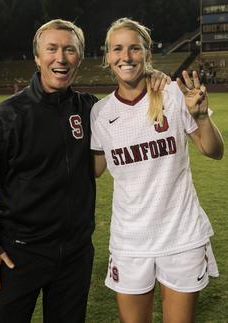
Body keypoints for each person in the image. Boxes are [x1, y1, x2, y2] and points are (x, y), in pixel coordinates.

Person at [0, 19, 169, 323]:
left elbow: (130, 104)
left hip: (75, 255)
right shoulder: (8, 116)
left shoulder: (89, 109)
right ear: (38, 57)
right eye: (52, 49)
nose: (61, 58)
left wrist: (153, 76)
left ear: (80, 58)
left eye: (70, 50)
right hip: (18, 254)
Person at [90, 18, 224, 323]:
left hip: (182, 237)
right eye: (118, 49)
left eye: (135, 48)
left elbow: (214, 151)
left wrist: (202, 118)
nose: (126, 56)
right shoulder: (100, 114)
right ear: (108, 56)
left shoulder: (173, 95)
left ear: (147, 54)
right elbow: (93, 170)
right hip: (129, 241)